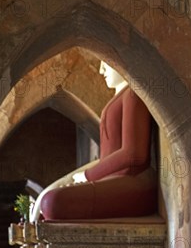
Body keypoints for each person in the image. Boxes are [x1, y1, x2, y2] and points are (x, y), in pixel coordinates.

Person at [29, 61, 157, 222]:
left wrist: (88, 175)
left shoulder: (133, 93)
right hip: (114, 179)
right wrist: (67, 180)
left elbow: (134, 155)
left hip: (134, 181)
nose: (101, 70)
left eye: (106, 63)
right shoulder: (121, 96)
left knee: (52, 202)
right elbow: (106, 159)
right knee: (47, 202)